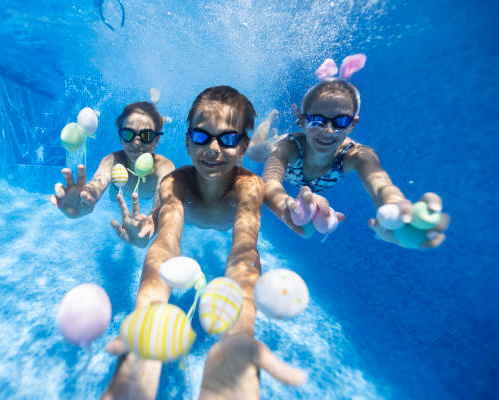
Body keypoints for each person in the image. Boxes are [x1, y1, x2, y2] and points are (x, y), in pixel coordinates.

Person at [102, 86, 307, 400]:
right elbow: (166, 243)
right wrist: (148, 315)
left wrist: (239, 333)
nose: (213, 149)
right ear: (187, 142)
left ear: (243, 147)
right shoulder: (177, 182)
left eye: (227, 139)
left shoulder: (248, 186)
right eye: (201, 136)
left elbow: (244, 251)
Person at [263, 54, 450, 247]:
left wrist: (397, 209)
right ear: (302, 121)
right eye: (317, 120)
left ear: (352, 124)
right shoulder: (290, 147)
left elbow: (380, 186)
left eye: (341, 121)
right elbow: (269, 182)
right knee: (257, 150)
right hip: (279, 149)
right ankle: (269, 124)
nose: (328, 131)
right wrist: (285, 205)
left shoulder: (357, 155)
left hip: (303, 177)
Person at [50, 101, 175, 247]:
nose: (136, 143)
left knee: (157, 118)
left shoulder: (164, 167)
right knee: (114, 196)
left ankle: (157, 107)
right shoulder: (113, 160)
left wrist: (152, 224)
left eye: (146, 136)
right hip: (122, 189)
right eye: (128, 134)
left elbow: (163, 202)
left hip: (145, 195)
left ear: (156, 140)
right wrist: (86, 196)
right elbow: (98, 181)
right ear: (121, 138)